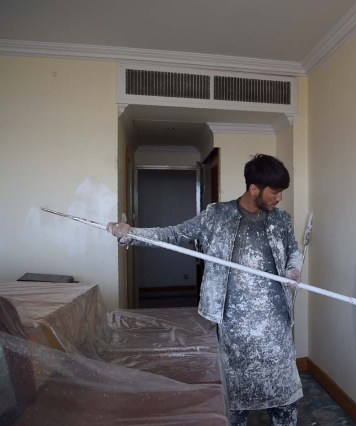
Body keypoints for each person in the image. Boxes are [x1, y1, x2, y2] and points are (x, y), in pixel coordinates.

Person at [107, 154, 303, 426]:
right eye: (275, 192)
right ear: (254, 188)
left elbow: (294, 250)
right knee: (235, 400)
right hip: (232, 327)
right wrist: (131, 233)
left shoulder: (281, 220)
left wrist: (294, 269)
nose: (279, 198)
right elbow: (173, 235)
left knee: (283, 399)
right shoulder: (217, 216)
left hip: (275, 327)